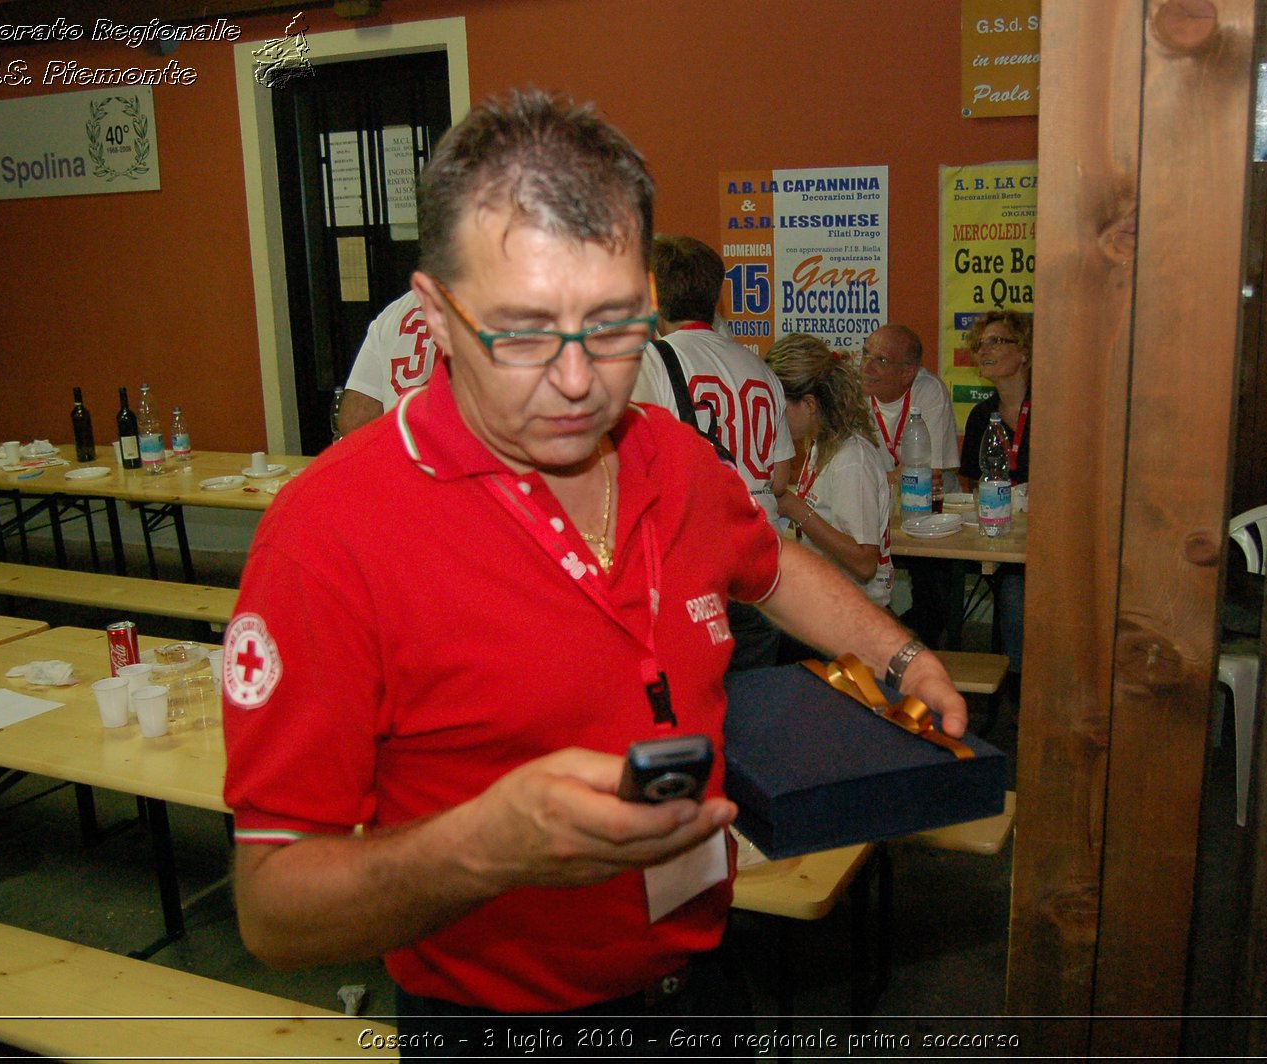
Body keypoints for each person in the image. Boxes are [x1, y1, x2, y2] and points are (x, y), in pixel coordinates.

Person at [221, 89, 965, 1049]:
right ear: (435, 315)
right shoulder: (328, 536)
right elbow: (274, 910)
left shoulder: (673, 454)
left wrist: (901, 658)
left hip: (700, 982)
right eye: (524, 333)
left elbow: (768, 563)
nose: (579, 382)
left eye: (614, 327)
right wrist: (482, 849)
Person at [634, 234, 795, 669]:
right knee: (759, 701)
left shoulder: (652, 360)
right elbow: (779, 480)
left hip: (699, 553)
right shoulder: (760, 367)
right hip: (763, 551)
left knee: (700, 696)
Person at [767, 333, 894, 610]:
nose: (772, 417)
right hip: (829, 605)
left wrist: (793, 508)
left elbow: (864, 563)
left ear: (810, 404)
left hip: (857, 618)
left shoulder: (852, 459)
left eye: (778, 408)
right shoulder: (821, 445)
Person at [859, 324, 961, 647]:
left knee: (934, 599)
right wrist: (890, 480)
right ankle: (877, 641)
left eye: (881, 361)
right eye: (865, 355)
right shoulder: (855, 393)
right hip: (877, 516)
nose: (866, 367)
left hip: (929, 514)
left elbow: (926, 474)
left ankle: (900, 648)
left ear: (908, 373)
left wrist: (882, 482)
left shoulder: (928, 392)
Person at [957, 309, 1032, 682]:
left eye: (997, 341)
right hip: (998, 534)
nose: (984, 350)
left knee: (1016, 588)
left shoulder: (1054, 409)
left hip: (1045, 538)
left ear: (1026, 352)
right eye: (980, 343)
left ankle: (1021, 690)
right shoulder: (981, 415)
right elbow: (972, 482)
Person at [335, 290, 440, 436]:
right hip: (456, 452)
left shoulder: (396, 311)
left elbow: (355, 419)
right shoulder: (477, 304)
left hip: (399, 449)